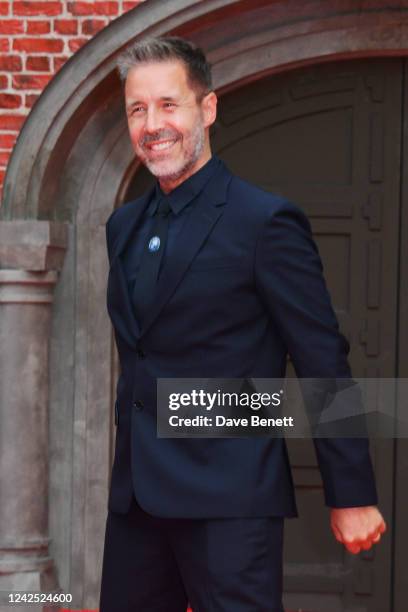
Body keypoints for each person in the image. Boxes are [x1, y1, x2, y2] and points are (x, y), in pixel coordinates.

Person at [99, 36, 386, 612]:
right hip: (135, 505)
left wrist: (350, 492)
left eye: (168, 104)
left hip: (229, 502)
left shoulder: (265, 222)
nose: (152, 124)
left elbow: (322, 360)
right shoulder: (123, 226)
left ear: (207, 109)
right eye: (137, 109)